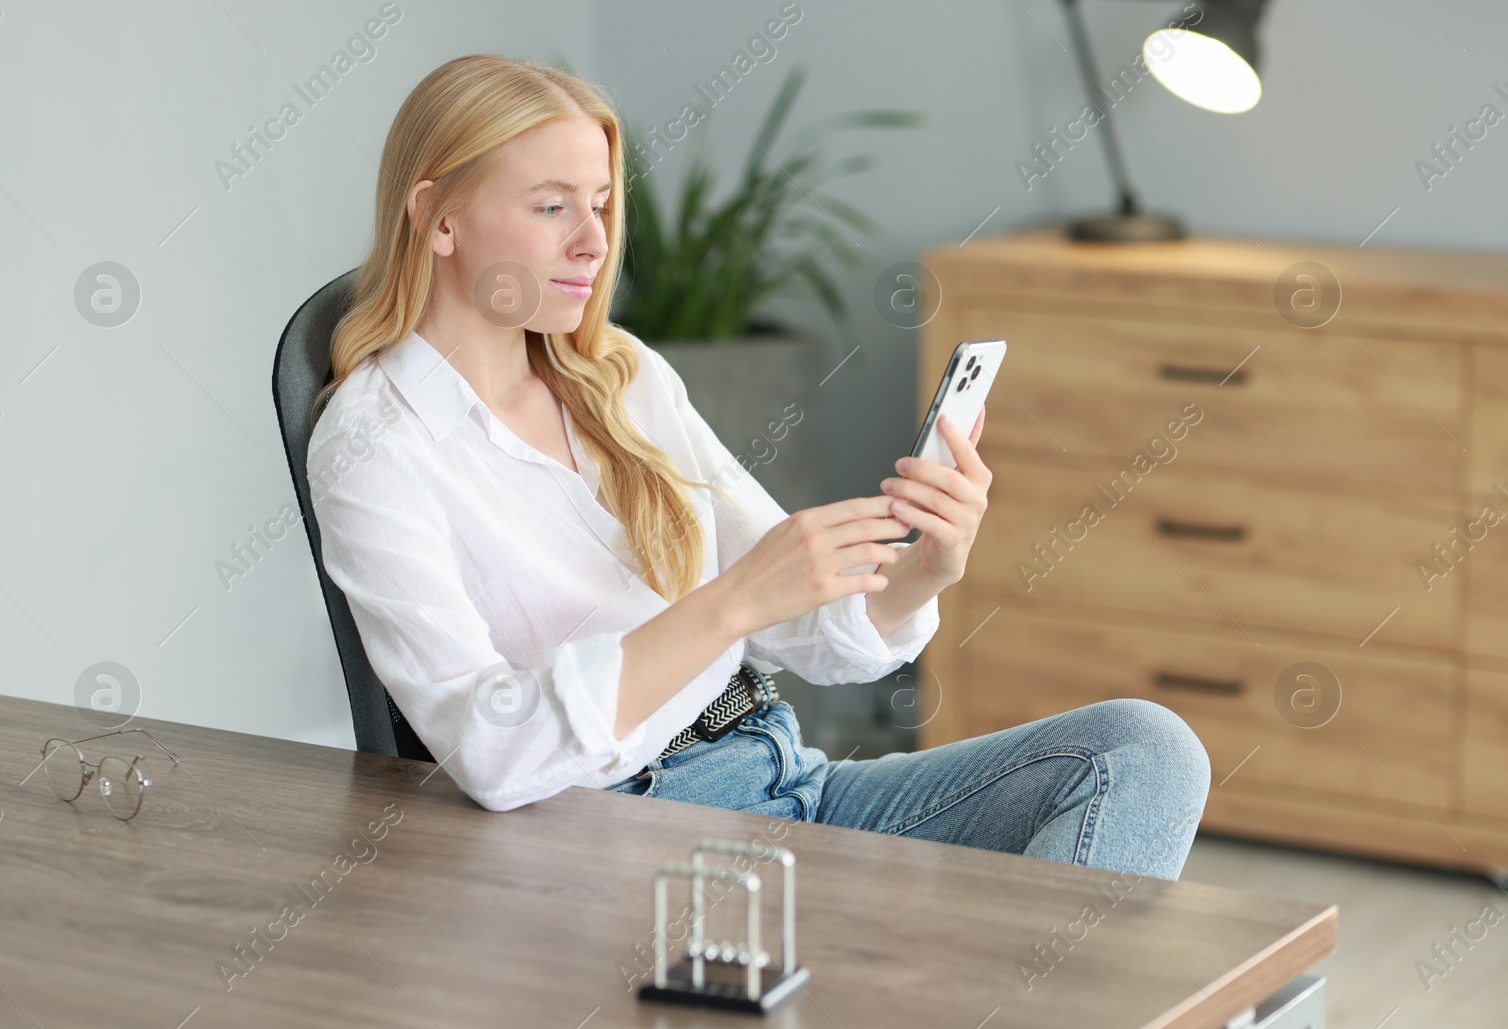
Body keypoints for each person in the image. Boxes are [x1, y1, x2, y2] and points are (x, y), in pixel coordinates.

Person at [308, 54, 1210, 882]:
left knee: (1144, 749)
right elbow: (490, 750)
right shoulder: (374, 447)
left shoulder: (619, 374)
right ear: (436, 218)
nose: (592, 241)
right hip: (627, 844)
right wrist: (731, 602)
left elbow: (805, 627)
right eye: (551, 207)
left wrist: (919, 573)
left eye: (601, 204)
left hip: (786, 782)